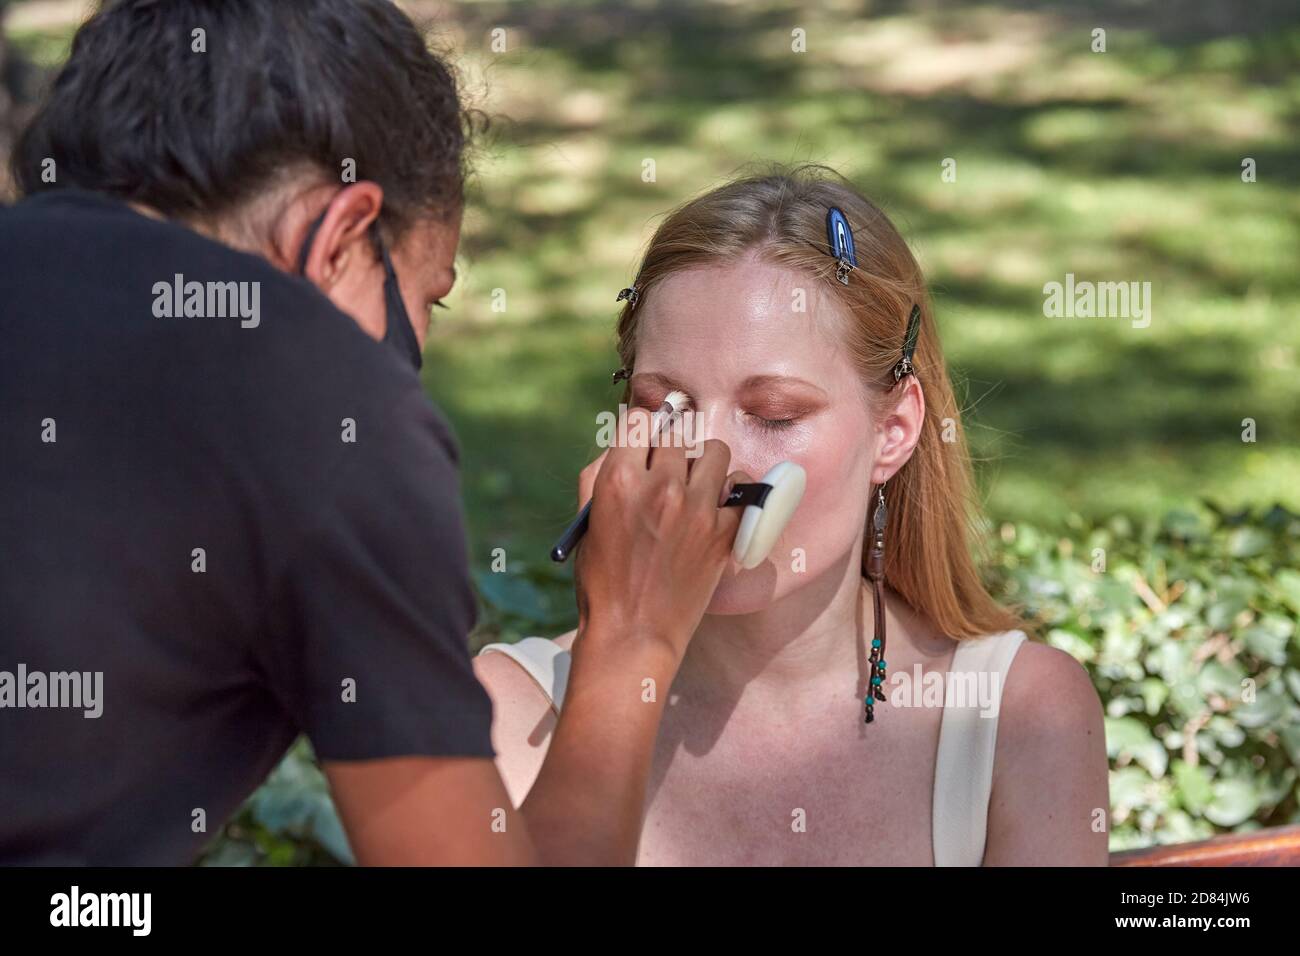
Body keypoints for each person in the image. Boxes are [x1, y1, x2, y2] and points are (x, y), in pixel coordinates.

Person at [0, 0, 747, 866]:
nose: (412, 362)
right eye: (428, 300)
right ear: (341, 235)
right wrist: (633, 634)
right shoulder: (318, 399)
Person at [475, 167, 1111, 865]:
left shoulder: (1017, 716)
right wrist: (624, 648)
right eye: (665, 409)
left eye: (774, 415)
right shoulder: (511, 712)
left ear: (893, 431)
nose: (710, 461)